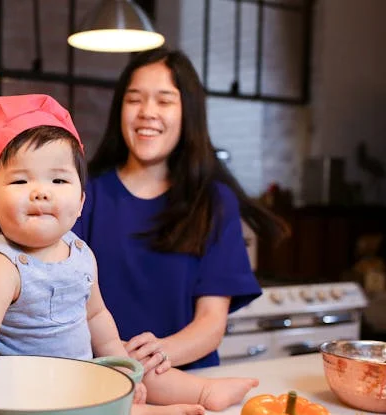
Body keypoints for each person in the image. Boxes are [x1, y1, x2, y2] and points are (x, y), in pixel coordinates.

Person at [0, 94, 259, 415]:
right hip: (26, 387)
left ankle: (204, 391)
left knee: (141, 367)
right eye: (20, 181)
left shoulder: (80, 252)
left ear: (80, 203)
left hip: (80, 374)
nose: (41, 192)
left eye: (58, 181)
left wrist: (126, 369)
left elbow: (96, 316)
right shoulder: (2, 265)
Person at [73, 48, 289, 371]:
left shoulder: (214, 202)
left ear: (188, 112)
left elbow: (210, 322)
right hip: (103, 380)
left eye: (164, 100)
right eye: (134, 99)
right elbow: (65, 301)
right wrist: (116, 357)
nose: (147, 112)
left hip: (190, 388)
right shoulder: (83, 195)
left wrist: (153, 355)